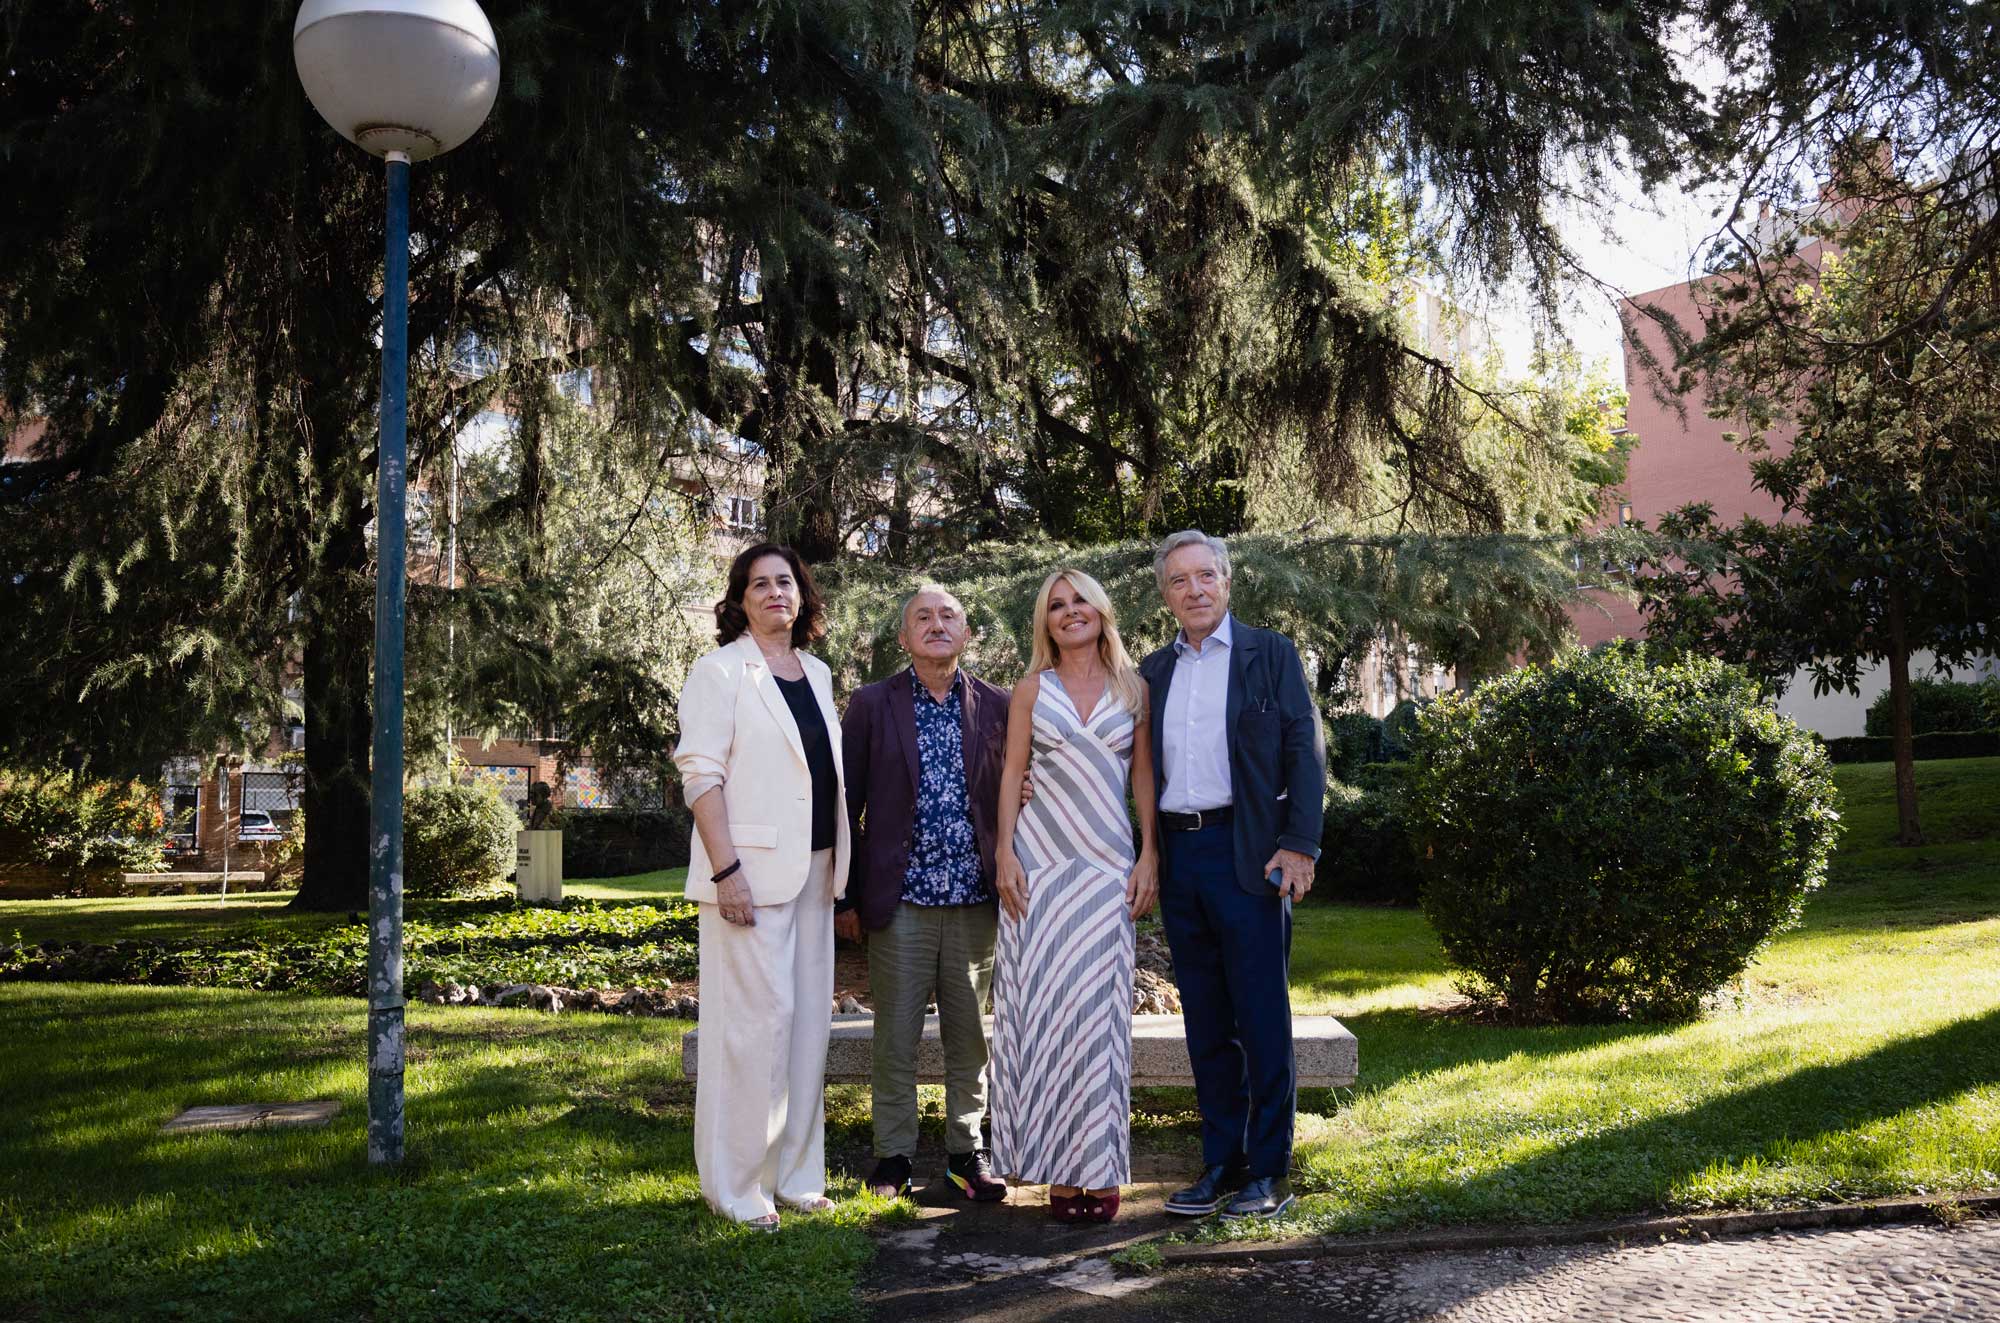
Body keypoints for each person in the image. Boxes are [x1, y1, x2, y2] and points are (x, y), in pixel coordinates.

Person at [1141, 530, 1325, 1222]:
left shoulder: (1268, 654)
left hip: (1252, 856)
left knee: (1262, 1016)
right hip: (1181, 857)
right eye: (1179, 580)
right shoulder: (1153, 672)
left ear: (1226, 581)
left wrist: (1300, 843)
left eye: (1204, 576)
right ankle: (1222, 1163)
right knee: (1207, 1021)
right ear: (1166, 595)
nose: (1194, 589)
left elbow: (1303, 750)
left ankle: (1269, 1170)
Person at [672, 542, 851, 1231]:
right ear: (740, 599)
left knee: (806, 1028)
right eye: (759, 584)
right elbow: (701, 777)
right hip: (746, 877)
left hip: (814, 872)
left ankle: (797, 1177)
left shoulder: (817, 671)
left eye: (785, 581)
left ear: (801, 594)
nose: (775, 592)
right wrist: (726, 872)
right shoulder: (720, 672)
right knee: (755, 1031)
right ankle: (737, 1186)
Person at [990, 568, 1159, 1223]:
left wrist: (1150, 853)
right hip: (1042, 866)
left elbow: (1142, 775)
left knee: (1101, 1021)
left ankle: (1100, 1169)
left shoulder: (1134, 687)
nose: (1069, 611)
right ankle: (1060, 1170)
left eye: (1079, 599)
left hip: (1108, 867)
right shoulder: (1031, 689)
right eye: (1056, 606)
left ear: (1101, 608)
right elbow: (1011, 771)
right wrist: (1005, 850)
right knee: (1047, 1013)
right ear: (1046, 622)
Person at [838, 584, 1011, 1202]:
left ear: (966, 634)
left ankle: (968, 1153)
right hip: (900, 900)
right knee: (897, 1036)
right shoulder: (871, 704)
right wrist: (845, 898)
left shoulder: (999, 706)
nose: (937, 626)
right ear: (905, 638)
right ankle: (894, 1158)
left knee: (971, 1036)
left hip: (973, 900)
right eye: (922, 618)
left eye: (949, 617)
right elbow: (846, 806)